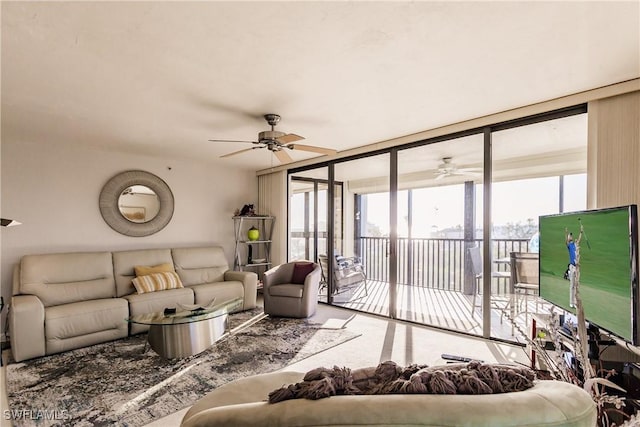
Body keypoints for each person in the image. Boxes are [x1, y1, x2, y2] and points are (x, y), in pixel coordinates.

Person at [565, 225, 583, 308]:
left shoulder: (575, 245)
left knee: (576, 286)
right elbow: (566, 241)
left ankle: (575, 302)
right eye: (569, 236)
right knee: (572, 285)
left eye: (570, 235)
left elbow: (579, 240)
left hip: (577, 267)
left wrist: (581, 232)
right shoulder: (569, 245)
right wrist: (566, 233)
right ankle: (571, 302)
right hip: (572, 267)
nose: (570, 236)